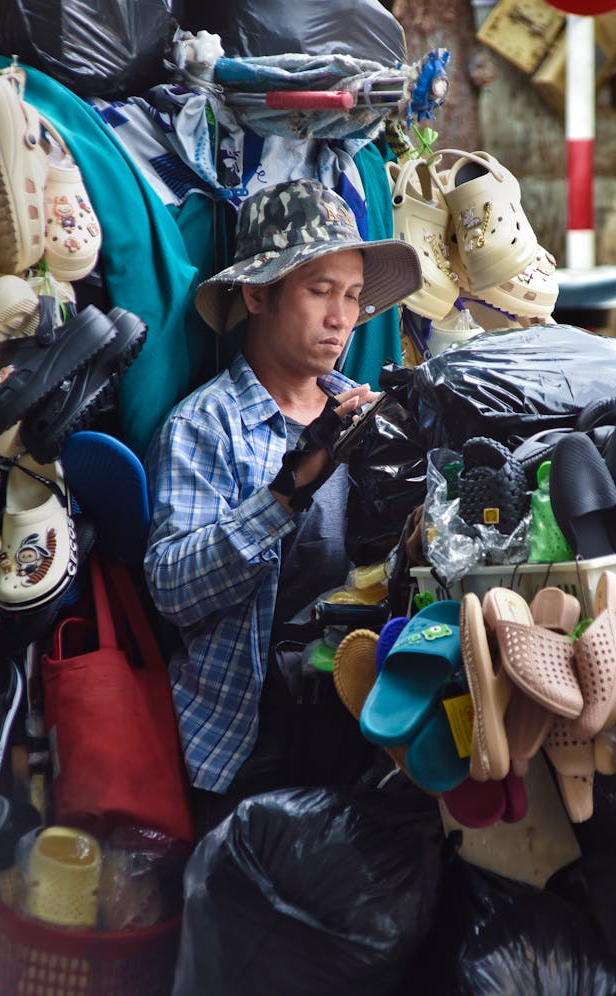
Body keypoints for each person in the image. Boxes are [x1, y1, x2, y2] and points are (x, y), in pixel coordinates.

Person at [143, 177, 421, 837]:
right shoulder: (205, 426)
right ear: (258, 294)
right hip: (249, 745)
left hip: (364, 722)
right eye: (320, 291)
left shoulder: (366, 412)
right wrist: (289, 489)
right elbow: (172, 590)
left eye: (353, 297)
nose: (341, 318)